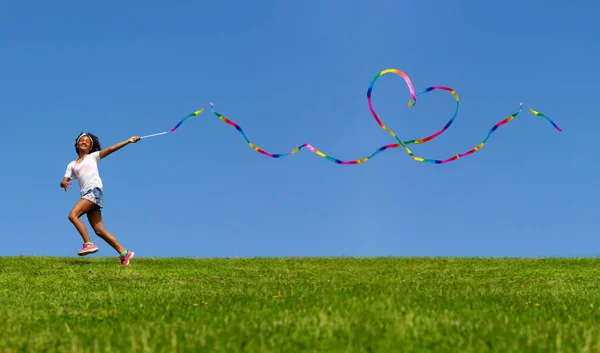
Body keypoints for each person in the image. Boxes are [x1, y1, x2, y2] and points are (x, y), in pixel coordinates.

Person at [60, 132, 140, 266]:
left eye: (87, 141)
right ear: (77, 144)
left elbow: (111, 149)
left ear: (91, 147)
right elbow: (64, 180)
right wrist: (64, 183)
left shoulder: (92, 157)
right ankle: (124, 253)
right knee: (99, 230)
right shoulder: (72, 165)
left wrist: (128, 140)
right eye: (82, 140)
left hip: (93, 192)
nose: (84, 142)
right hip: (86, 195)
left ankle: (88, 243)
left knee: (73, 215)